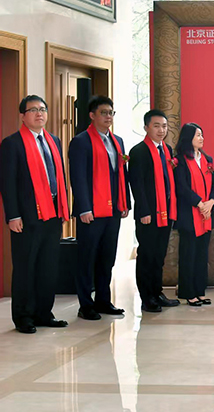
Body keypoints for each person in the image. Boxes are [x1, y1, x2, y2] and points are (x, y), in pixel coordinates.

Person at [0, 95, 69, 333]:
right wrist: (13, 215)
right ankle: (23, 317)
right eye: (33, 110)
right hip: (27, 217)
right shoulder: (12, 143)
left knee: (48, 267)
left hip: (52, 213)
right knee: (25, 267)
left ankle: (43, 313)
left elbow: (59, 177)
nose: (39, 113)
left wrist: (63, 207)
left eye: (42, 109)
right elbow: (7, 183)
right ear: (22, 116)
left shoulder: (54, 140)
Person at [68, 96, 130, 320]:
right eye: (104, 112)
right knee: (87, 258)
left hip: (113, 209)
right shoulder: (81, 141)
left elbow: (121, 174)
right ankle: (86, 305)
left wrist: (125, 202)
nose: (108, 117)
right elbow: (77, 177)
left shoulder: (117, 141)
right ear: (92, 115)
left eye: (111, 113)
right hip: (91, 211)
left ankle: (103, 300)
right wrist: (84, 208)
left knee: (107, 257)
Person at [129, 109, 180, 313]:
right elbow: (137, 184)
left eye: (164, 126)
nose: (161, 130)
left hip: (165, 211)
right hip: (149, 213)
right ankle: (146, 297)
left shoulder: (167, 150)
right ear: (146, 127)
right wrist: (144, 211)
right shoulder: (139, 151)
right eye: (156, 126)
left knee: (159, 255)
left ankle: (157, 293)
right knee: (147, 255)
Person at [174, 123, 214, 306]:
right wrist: (199, 203)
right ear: (188, 137)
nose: (201, 138)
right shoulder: (180, 160)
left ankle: (200, 291)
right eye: (198, 135)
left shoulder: (207, 159)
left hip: (206, 214)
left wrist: (211, 202)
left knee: (202, 255)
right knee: (188, 254)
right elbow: (181, 187)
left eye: (202, 134)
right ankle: (188, 292)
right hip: (189, 214)